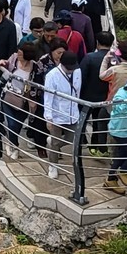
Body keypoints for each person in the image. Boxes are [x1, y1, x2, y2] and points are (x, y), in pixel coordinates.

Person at [43, 50, 82, 179]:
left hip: (73, 113)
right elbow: (48, 98)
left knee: (72, 139)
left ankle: (53, 142)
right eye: (68, 68)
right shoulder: (52, 75)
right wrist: (48, 118)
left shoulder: (77, 71)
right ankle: (53, 165)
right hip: (57, 113)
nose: (70, 70)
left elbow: (77, 91)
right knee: (55, 143)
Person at [1, 40, 40, 160]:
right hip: (9, 96)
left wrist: (32, 100)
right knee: (12, 124)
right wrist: (1, 63)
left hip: (24, 102)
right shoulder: (14, 59)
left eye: (21, 54)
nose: (18, 55)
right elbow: (5, 66)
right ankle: (15, 147)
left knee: (17, 126)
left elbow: (37, 85)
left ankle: (10, 142)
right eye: (18, 52)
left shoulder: (35, 67)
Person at [80, 30, 113, 157]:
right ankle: (97, 146)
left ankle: (80, 143)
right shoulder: (115, 60)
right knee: (100, 122)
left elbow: (82, 77)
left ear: (97, 43)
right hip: (106, 97)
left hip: (88, 97)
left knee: (83, 122)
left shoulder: (89, 58)